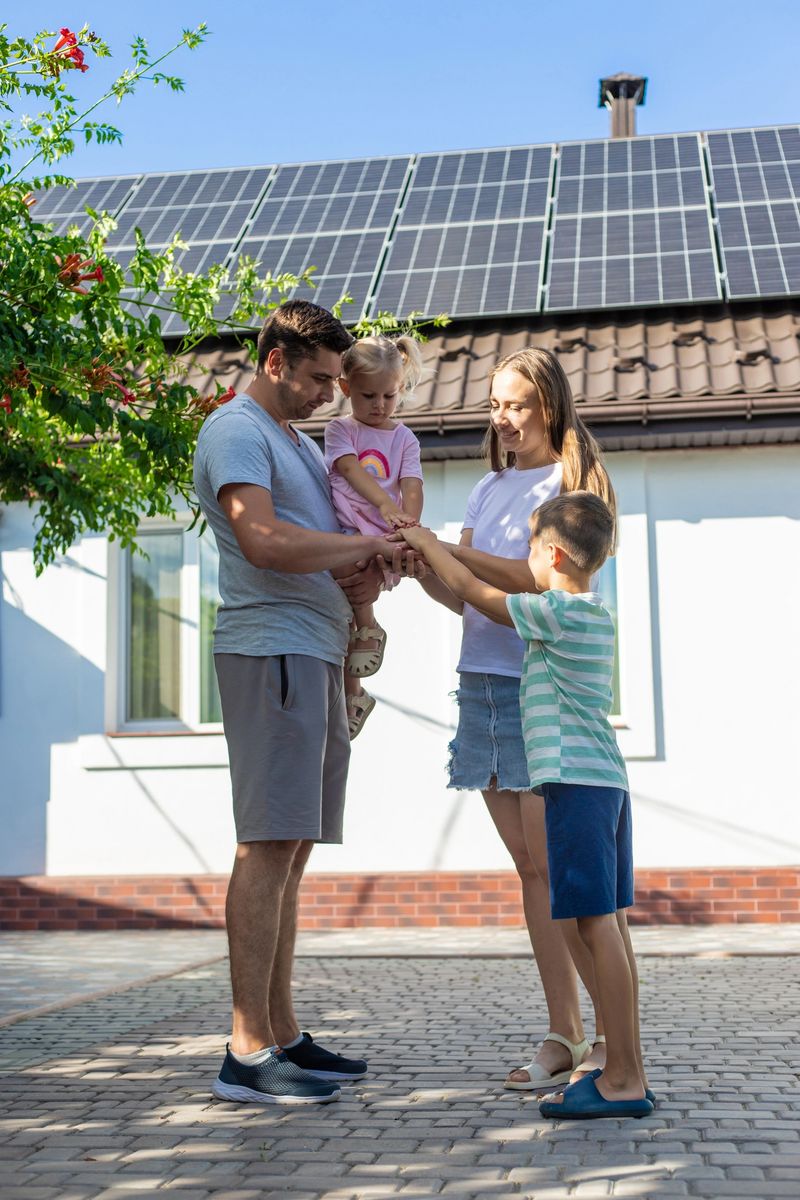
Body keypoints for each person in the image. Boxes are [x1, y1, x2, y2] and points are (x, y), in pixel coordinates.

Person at [193, 300, 412, 1105]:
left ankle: (281, 1033)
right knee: (267, 844)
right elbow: (264, 541)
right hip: (272, 651)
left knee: (293, 848)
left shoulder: (291, 440)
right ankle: (246, 1051)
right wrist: (363, 545)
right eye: (320, 379)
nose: (334, 394)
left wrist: (360, 573)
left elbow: (312, 548)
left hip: (314, 651)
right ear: (277, 362)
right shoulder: (237, 432)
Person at [403, 493, 653, 1119]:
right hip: (603, 786)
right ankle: (626, 1066)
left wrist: (426, 541)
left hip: (575, 785)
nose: (525, 562)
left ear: (556, 555)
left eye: (532, 551)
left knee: (595, 927)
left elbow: (470, 589)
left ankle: (623, 1078)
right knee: (604, 928)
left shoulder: (556, 613)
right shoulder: (592, 613)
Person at [417, 347, 613, 1090]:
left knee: (563, 876)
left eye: (517, 404)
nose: (502, 418)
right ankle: (564, 1031)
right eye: (494, 403)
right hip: (485, 688)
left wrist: (445, 554)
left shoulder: (569, 484)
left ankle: (607, 1035)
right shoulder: (485, 489)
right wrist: (425, 567)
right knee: (533, 871)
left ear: (549, 407)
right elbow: (463, 593)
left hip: (541, 692)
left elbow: (529, 579)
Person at [324, 334, 425, 739]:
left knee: (354, 593)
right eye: (368, 396)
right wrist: (384, 505)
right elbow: (349, 469)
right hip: (348, 530)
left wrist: (408, 526)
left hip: (383, 538)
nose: (379, 405)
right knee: (347, 602)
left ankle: (362, 657)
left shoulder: (404, 438)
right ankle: (357, 688)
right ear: (345, 388)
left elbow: (412, 484)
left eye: (389, 395)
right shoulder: (339, 429)